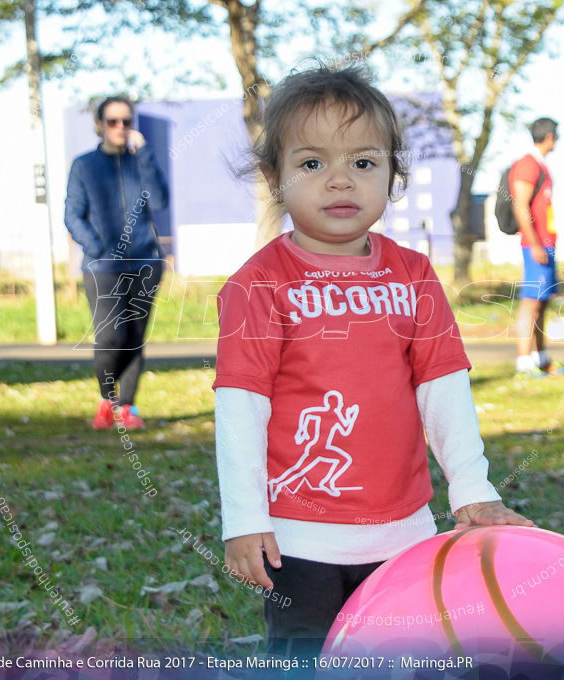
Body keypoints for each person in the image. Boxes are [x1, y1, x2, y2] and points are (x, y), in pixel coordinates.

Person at [212, 64, 533, 658]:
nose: (341, 181)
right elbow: (240, 407)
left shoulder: (412, 274)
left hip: (405, 536)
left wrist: (472, 490)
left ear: (392, 174)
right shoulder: (257, 286)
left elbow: (444, 388)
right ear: (274, 178)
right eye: (312, 163)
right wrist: (243, 518)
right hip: (297, 540)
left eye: (363, 162)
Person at [64, 95, 169, 430]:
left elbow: (160, 200)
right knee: (111, 336)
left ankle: (128, 408)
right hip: (102, 266)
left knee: (135, 337)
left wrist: (147, 155)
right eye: (113, 121)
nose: (121, 128)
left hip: (145, 263)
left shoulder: (142, 162)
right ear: (99, 126)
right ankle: (106, 400)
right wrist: (96, 247)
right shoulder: (83, 166)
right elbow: (73, 215)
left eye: (127, 121)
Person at [511, 117, 563, 377]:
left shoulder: (541, 164)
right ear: (551, 137)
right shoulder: (528, 164)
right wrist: (535, 244)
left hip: (547, 244)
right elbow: (520, 205)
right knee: (530, 302)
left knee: (542, 303)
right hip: (536, 246)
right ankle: (523, 361)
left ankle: (541, 358)